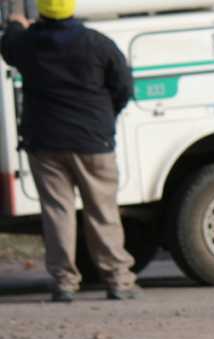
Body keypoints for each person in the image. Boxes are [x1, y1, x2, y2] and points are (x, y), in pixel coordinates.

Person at [2, 0, 142, 303]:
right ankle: (118, 279)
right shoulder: (97, 44)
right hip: (94, 142)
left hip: (46, 143)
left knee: (57, 213)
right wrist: (104, 117)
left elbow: (8, 47)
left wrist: (15, 22)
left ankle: (65, 282)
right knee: (102, 212)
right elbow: (124, 87)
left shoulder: (27, 45)